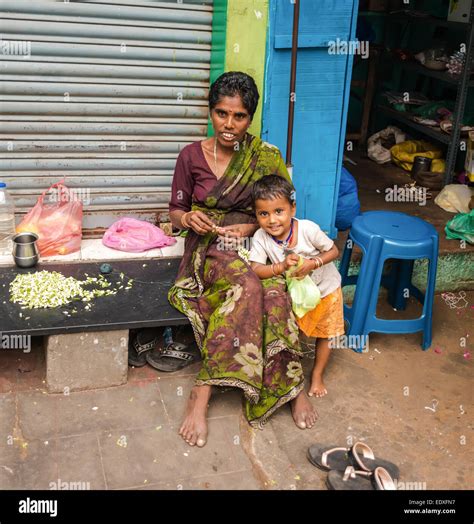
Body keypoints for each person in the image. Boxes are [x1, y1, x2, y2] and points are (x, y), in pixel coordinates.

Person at [167, 71, 317, 447]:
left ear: (251, 118)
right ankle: (202, 391)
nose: (229, 124)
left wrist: (252, 227)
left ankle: (292, 386)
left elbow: (282, 209)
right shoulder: (190, 156)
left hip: (258, 241)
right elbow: (174, 211)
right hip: (212, 243)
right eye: (221, 113)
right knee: (247, 284)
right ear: (210, 112)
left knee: (278, 289)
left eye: (239, 116)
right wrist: (187, 219)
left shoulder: (265, 156)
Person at [248, 175, 344, 398]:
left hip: (327, 290)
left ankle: (317, 375)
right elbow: (256, 269)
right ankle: (293, 371)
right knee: (295, 331)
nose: (272, 220)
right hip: (298, 295)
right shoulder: (261, 237)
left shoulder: (308, 229)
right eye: (264, 214)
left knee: (325, 334)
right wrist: (280, 266)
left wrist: (313, 262)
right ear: (256, 215)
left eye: (278, 211)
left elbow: (333, 251)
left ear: (292, 208)